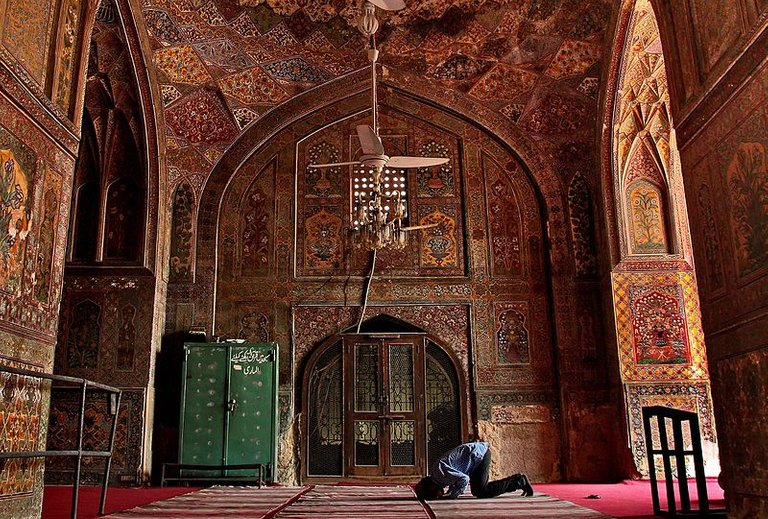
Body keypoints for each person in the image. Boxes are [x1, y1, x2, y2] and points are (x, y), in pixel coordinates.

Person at [414, 441, 534, 500]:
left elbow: (464, 479)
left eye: (435, 496)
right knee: (480, 489)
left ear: (431, 488)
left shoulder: (441, 476)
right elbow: (455, 479)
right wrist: (453, 490)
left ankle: (519, 481)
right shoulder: (438, 475)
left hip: (479, 455)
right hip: (475, 457)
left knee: (481, 491)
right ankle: (518, 481)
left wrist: (453, 496)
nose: (438, 496)